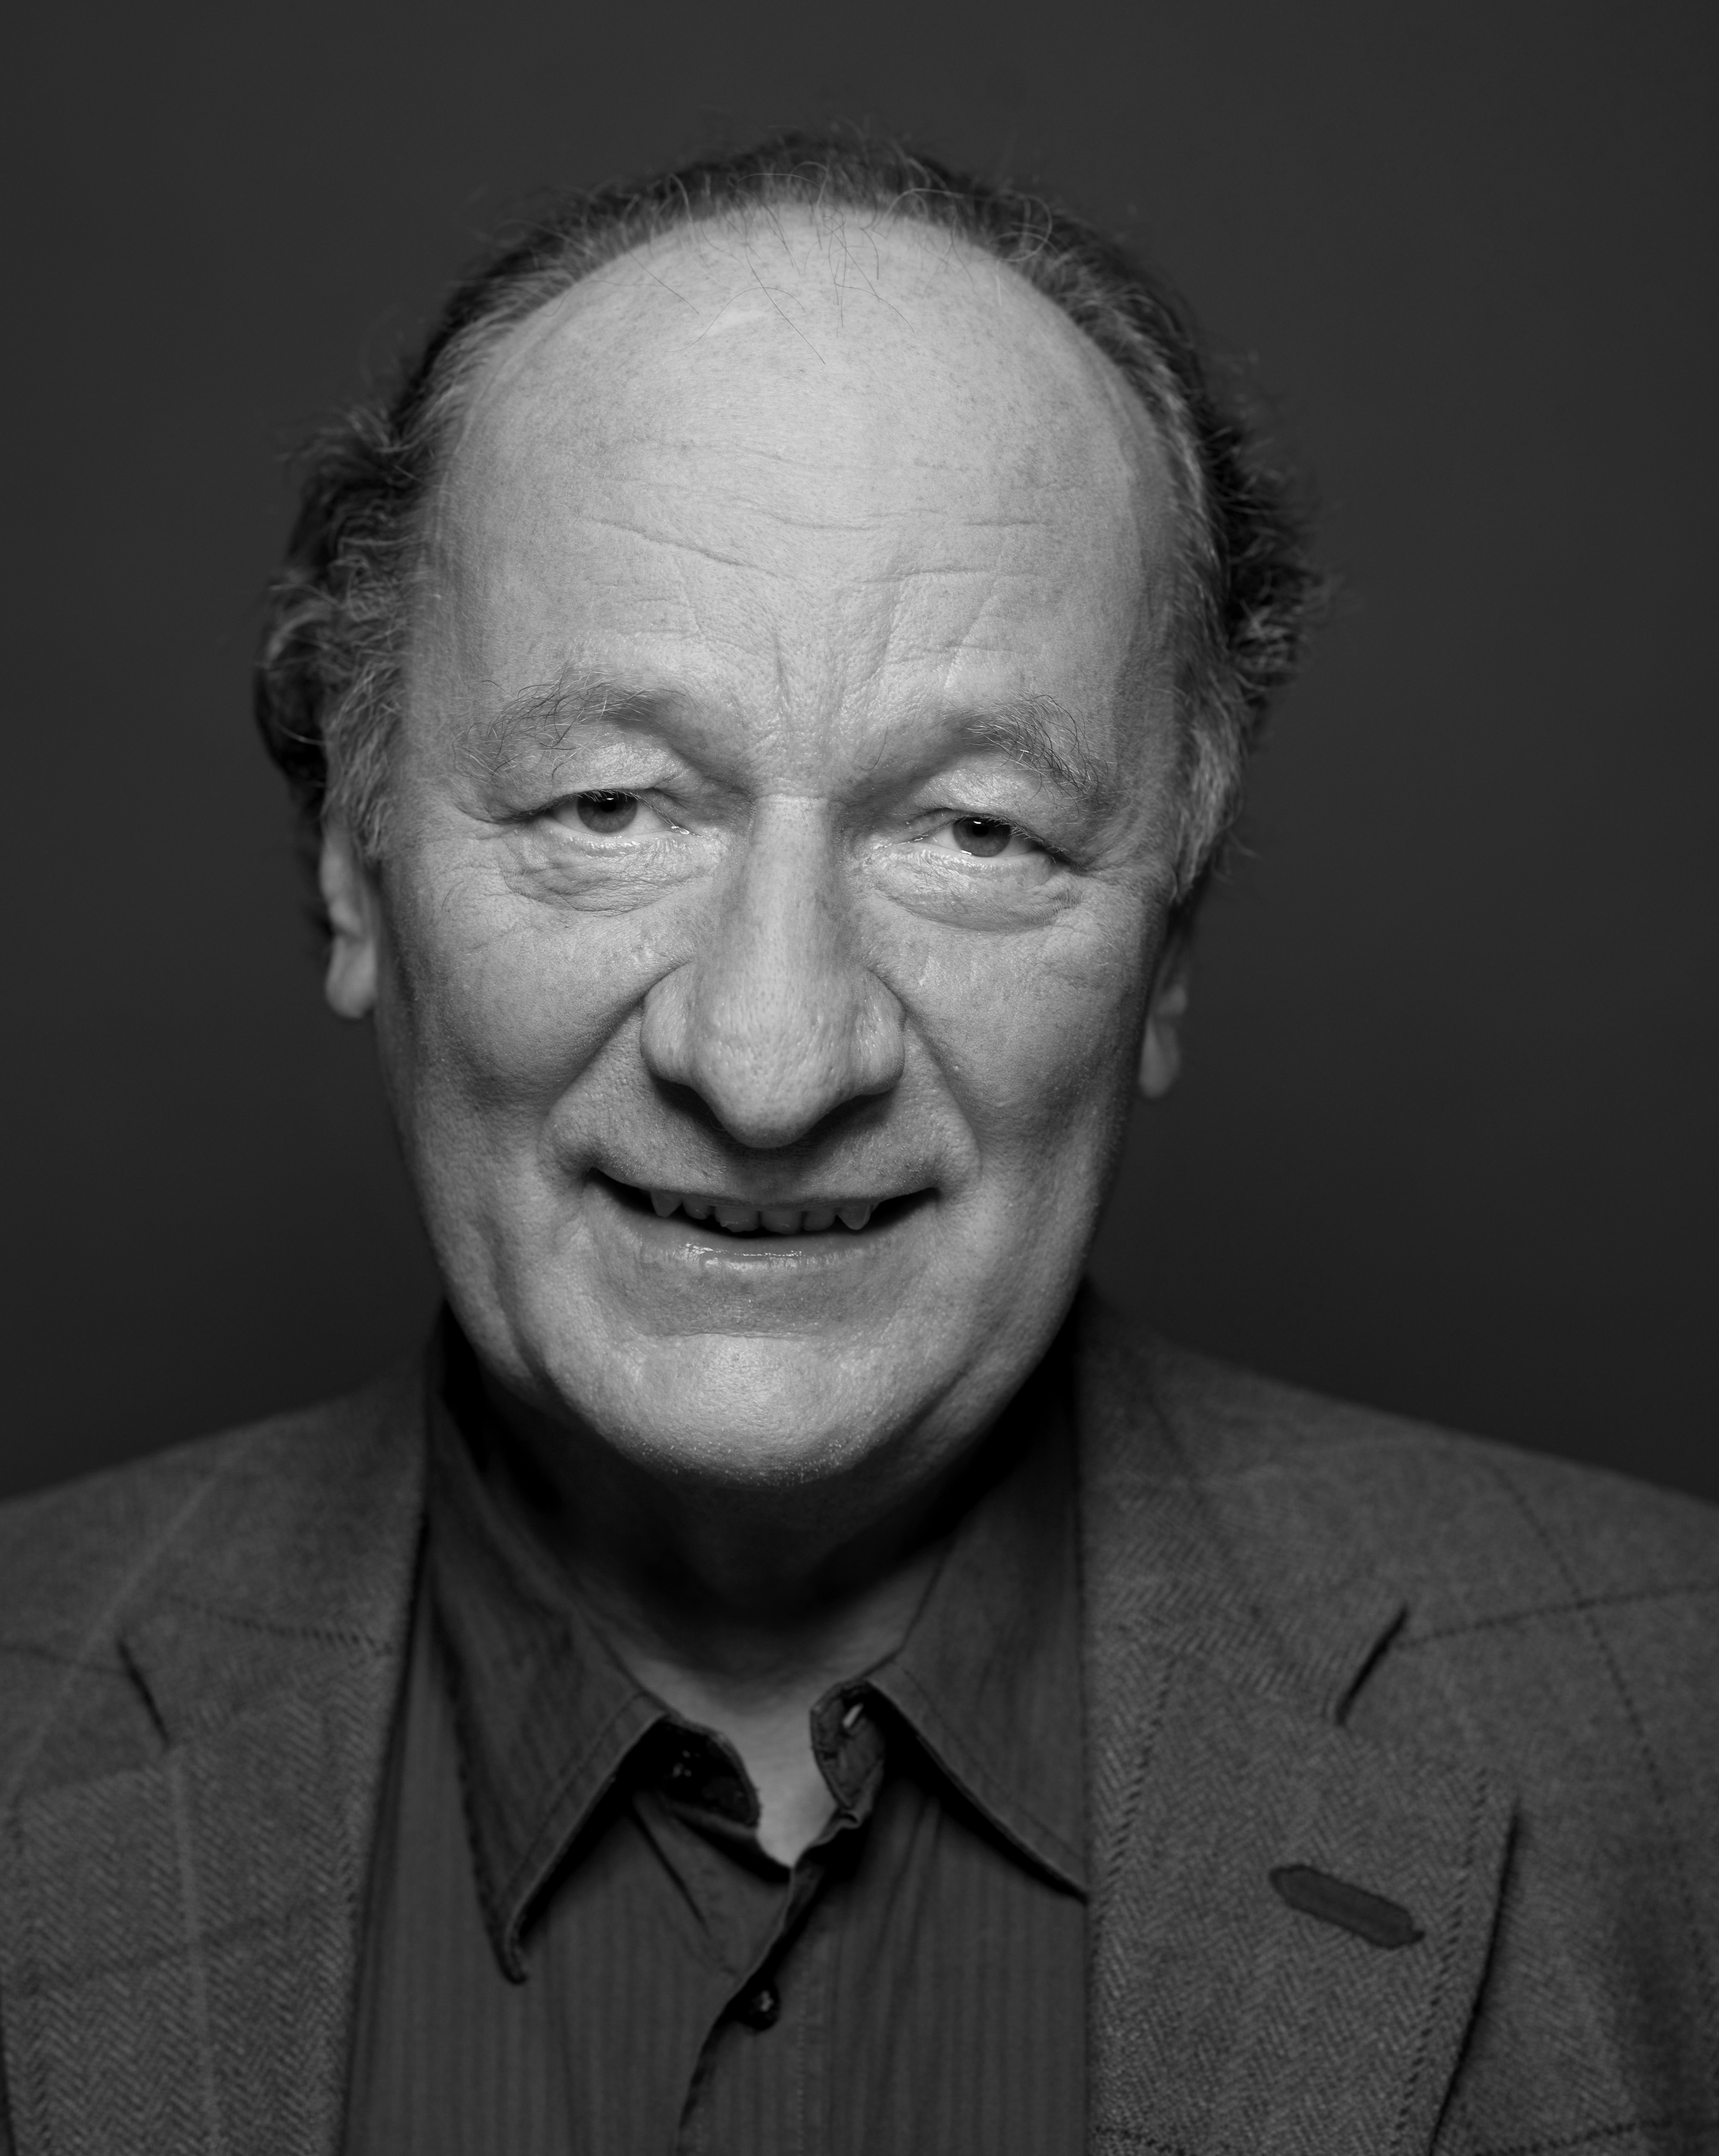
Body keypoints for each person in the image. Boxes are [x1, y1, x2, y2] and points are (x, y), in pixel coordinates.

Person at [2, 130, 1715, 2156]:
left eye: (976, 830)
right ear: (353, 877)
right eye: (609, 806)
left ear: (1167, 945)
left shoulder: (1674, 1736)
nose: (771, 1057)